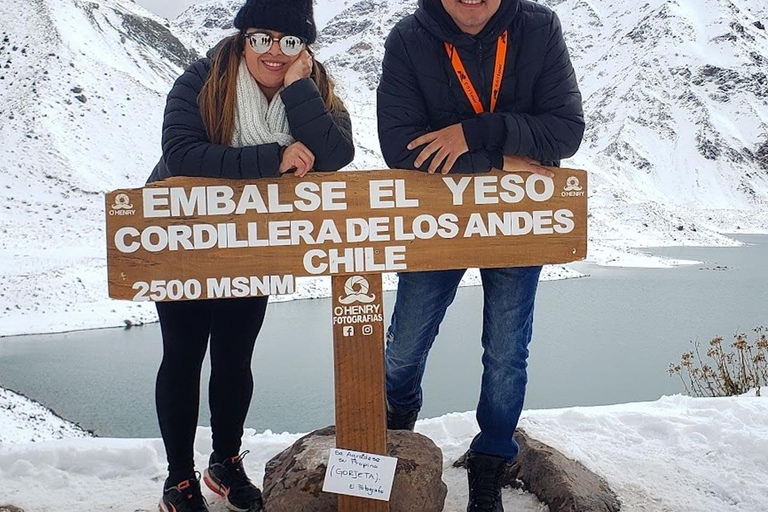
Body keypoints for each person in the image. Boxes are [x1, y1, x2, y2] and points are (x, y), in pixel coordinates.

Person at [377, 0, 584, 511]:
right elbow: (401, 149)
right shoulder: (409, 38)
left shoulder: (539, 27)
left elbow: (565, 132)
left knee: (507, 353)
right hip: (437, 220)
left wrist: (472, 134)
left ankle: (491, 460)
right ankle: (397, 425)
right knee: (404, 346)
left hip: (516, 216)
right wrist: (499, 158)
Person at [147, 0, 354, 511]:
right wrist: (272, 158)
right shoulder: (203, 79)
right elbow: (181, 152)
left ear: (304, 48)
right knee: (183, 354)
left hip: (250, 238)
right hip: (182, 232)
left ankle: (225, 461)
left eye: (289, 41)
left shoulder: (314, 86)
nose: (273, 51)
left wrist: (299, 90)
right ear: (244, 39)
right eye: (262, 37)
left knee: (235, 355)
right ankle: (179, 479)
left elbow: (336, 155)